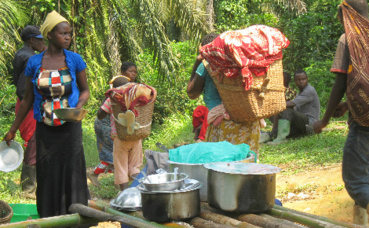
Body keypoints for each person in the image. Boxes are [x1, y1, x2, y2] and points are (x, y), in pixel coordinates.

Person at [3, 10, 90, 219]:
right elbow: (27, 100)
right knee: (47, 172)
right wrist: (13, 129)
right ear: (50, 35)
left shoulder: (75, 60)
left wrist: (77, 107)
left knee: (71, 171)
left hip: (70, 127)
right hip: (45, 127)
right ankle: (50, 217)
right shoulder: (34, 63)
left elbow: (85, 90)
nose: (68, 37)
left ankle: (75, 216)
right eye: (63, 33)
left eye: (69, 34)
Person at [313, 0, 369, 225]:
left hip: (364, 123)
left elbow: (339, 83)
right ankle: (361, 221)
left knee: (356, 180)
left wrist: (324, 121)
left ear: (348, 16)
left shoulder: (350, 39)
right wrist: (348, 104)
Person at [187, 33, 260, 157]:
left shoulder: (207, 64)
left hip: (224, 123)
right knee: (248, 163)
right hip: (250, 119)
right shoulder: (243, 60)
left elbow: (191, 92)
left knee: (223, 165)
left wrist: (198, 61)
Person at [87, 62, 137, 188]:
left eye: (135, 72)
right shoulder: (118, 86)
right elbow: (103, 111)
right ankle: (100, 175)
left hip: (113, 125)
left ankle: (119, 182)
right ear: (123, 72)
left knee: (118, 156)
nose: (134, 74)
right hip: (106, 124)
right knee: (115, 155)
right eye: (131, 71)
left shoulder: (129, 89)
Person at [97, 62, 143, 192]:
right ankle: (138, 192)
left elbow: (100, 114)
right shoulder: (137, 96)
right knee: (134, 166)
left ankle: (126, 194)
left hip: (119, 136)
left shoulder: (113, 97)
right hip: (136, 136)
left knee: (121, 166)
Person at [13, 25, 46, 198]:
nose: (43, 43)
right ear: (32, 40)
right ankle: (28, 188)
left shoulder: (22, 54)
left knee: (35, 142)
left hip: (27, 103)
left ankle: (33, 184)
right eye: (41, 39)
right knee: (33, 142)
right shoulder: (29, 58)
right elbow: (22, 88)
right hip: (29, 104)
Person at [267, 70, 320, 144]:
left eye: (303, 79)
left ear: (307, 79)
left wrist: (275, 105)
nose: (301, 81)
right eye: (298, 80)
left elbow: (291, 104)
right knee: (274, 131)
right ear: (295, 81)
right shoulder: (299, 93)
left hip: (310, 124)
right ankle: (275, 134)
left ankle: (281, 138)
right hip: (300, 124)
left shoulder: (309, 90)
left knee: (286, 109)